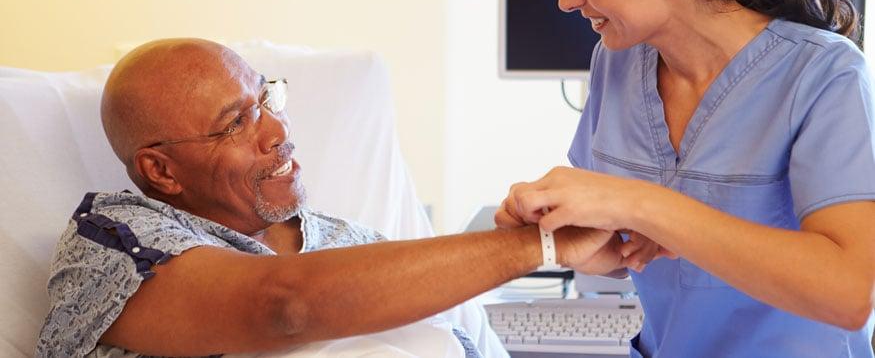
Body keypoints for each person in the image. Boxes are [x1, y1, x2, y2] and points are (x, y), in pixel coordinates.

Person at [37, 38, 616, 357]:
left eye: (267, 99)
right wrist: (538, 246)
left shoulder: (350, 245)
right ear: (160, 171)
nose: (277, 132)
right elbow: (283, 307)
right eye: (237, 122)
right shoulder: (111, 241)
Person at [495, 0, 875, 357]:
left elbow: (850, 294)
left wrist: (643, 205)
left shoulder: (824, 74)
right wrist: (570, 243)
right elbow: (626, 246)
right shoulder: (615, 63)